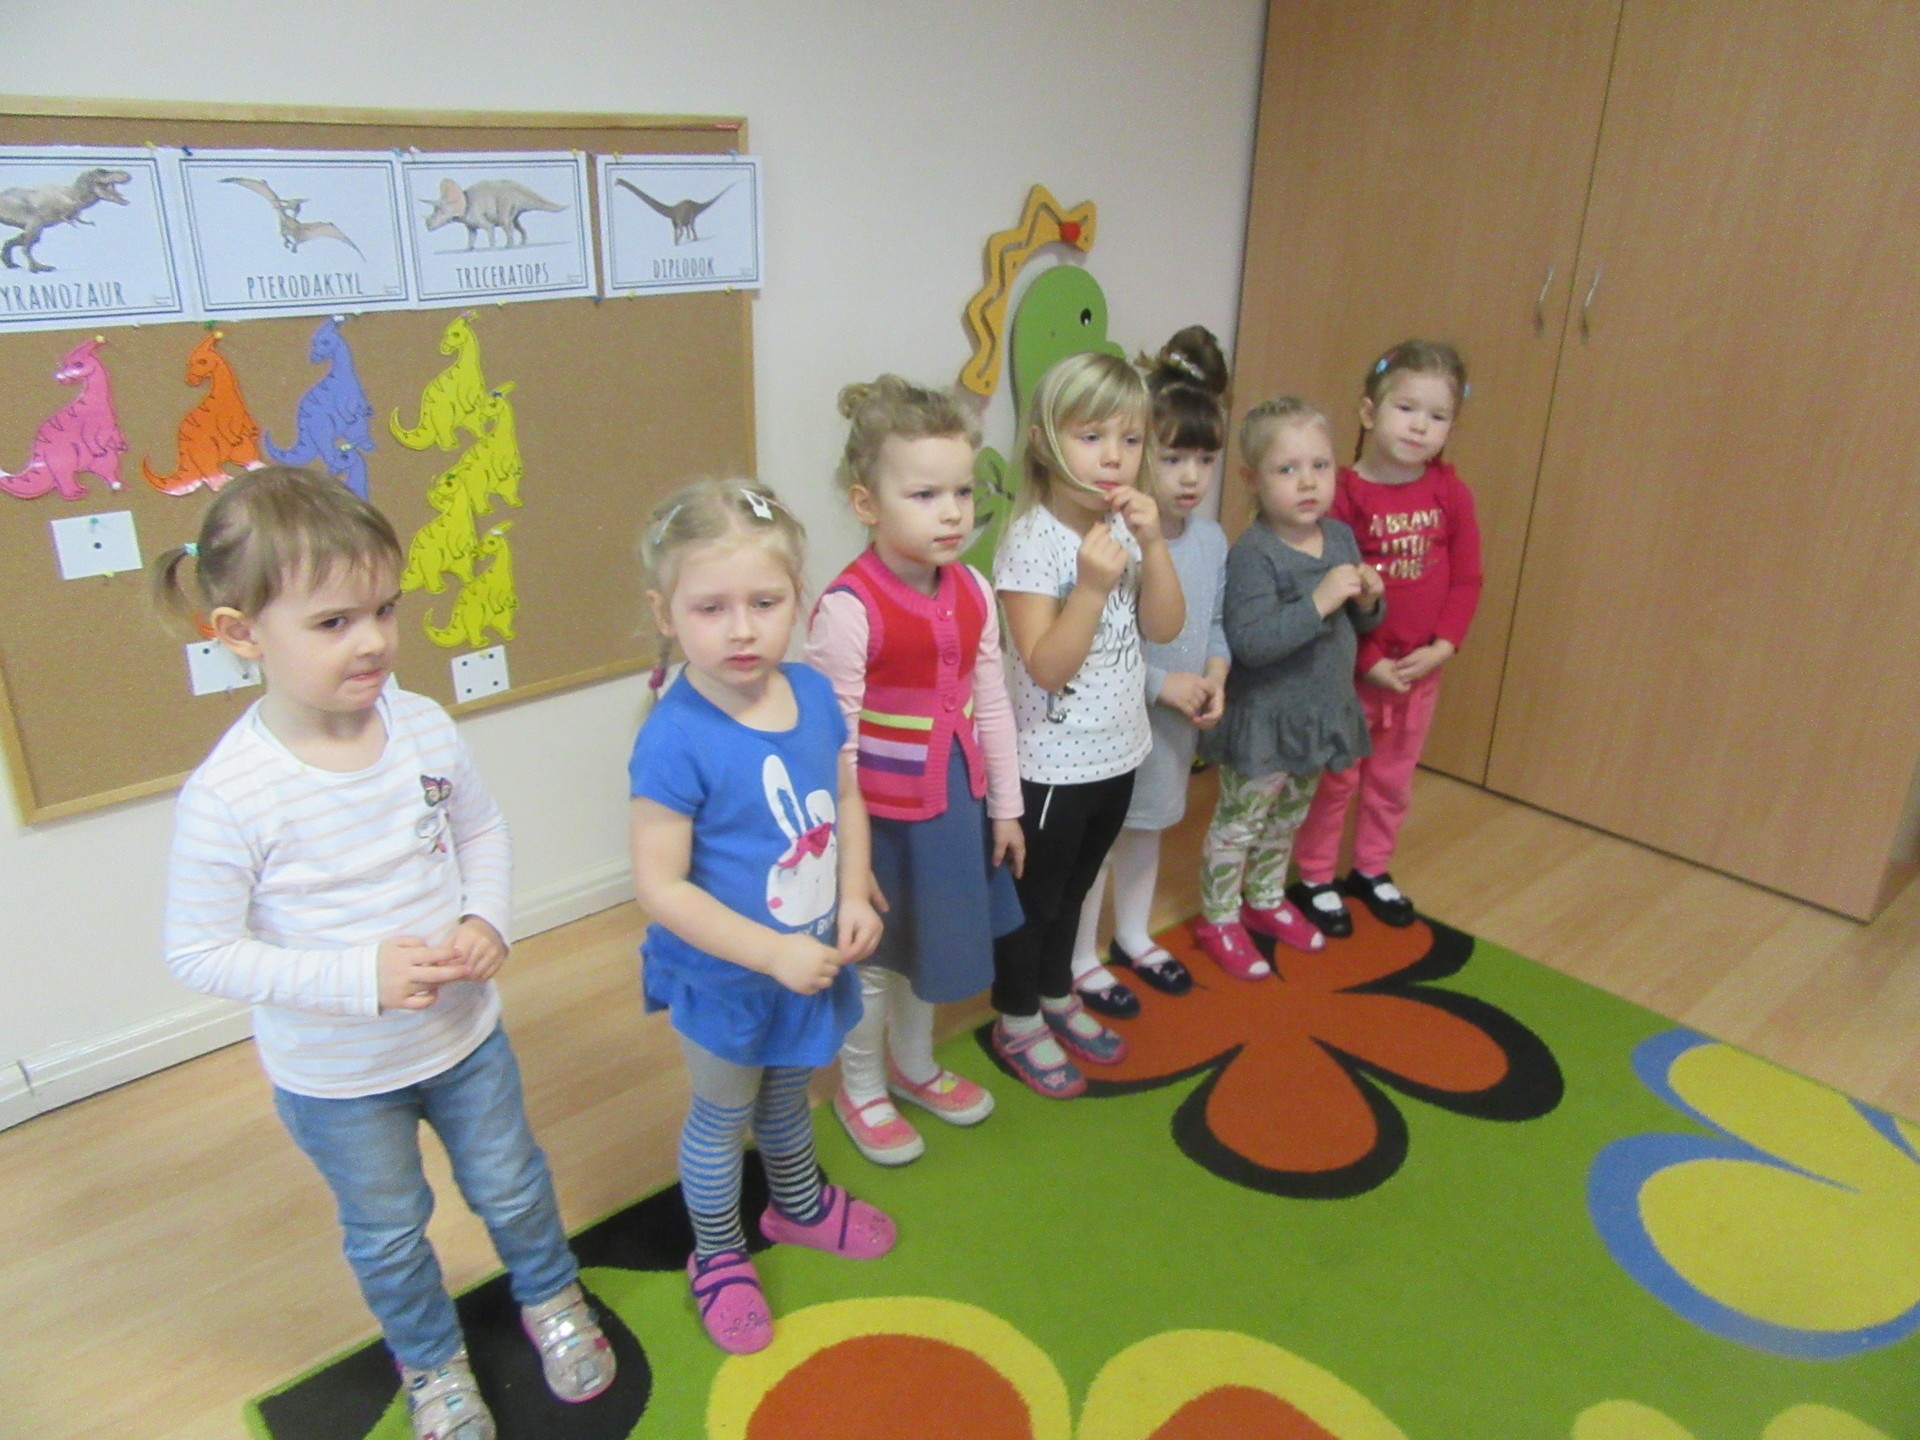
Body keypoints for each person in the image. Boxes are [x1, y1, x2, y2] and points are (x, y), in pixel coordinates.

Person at [158, 466, 612, 1440]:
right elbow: (199, 952)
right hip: (337, 1080)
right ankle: (433, 1363)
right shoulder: (230, 795)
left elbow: (480, 830)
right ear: (240, 632)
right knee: (389, 1230)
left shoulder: (422, 725)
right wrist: (357, 978)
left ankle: (551, 1297)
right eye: (332, 622)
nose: (370, 641)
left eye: (382, 610)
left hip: (465, 1042)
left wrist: (488, 918)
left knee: (513, 1186)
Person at [627, 478, 892, 1357]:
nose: (740, 630)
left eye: (764, 603)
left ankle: (798, 1205)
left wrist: (851, 892)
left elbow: (845, 797)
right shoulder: (674, 737)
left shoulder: (812, 694)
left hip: (807, 959)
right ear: (666, 613)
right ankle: (717, 1254)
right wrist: (771, 954)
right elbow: (661, 887)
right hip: (728, 977)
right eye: (711, 608)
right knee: (722, 1114)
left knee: (789, 1093)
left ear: (797, 599)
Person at [805, 376, 1025, 1166]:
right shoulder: (848, 608)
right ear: (867, 503)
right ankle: (860, 1087)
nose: (952, 512)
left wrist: (1006, 806)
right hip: (877, 823)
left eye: (962, 492)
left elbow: (991, 699)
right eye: (925, 494)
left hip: (952, 808)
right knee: (872, 961)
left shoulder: (974, 589)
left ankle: (913, 1064)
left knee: (925, 950)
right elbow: (830, 742)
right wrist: (847, 857)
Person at [990, 351, 1185, 1097]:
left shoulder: (1123, 527)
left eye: (1130, 439)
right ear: (1044, 443)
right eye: (1092, 436)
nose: (1113, 457)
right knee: (1034, 903)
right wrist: (1094, 588)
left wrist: (1155, 544)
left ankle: (1054, 993)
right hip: (1050, 765)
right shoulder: (1032, 540)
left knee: (1074, 893)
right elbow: (1046, 666)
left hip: (1118, 751)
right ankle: (1016, 1019)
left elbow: (1164, 626)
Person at [1289, 341, 1482, 934]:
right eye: (1407, 408)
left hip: (1420, 675)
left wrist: (1443, 646)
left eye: (1438, 416)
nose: (1421, 426)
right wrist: (1368, 658)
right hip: (1352, 675)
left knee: (1392, 782)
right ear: (1370, 412)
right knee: (1336, 779)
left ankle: (1371, 868)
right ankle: (1315, 876)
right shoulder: (1344, 495)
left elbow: (1467, 578)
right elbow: (1331, 589)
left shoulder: (1450, 493)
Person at [1069, 327, 1233, 1017]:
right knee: (1099, 845)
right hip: (1117, 724)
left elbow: (1214, 622)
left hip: (1174, 729)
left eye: (1204, 459)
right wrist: (1163, 684)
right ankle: (1081, 956)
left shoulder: (1213, 539)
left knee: (1150, 829)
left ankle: (1133, 934)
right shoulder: (1117, 544)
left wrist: (1216, 675)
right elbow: (1100, 647)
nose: (1191, 477)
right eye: (1172, 458)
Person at [1192, 399, 1385, 978]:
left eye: (1320, 466)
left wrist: (1370, 601)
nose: (1307, 482)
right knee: (1240, 823)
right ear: (1252, 478)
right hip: (1266, 721)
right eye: (1287, 469)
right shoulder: (1253, 553)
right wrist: (1319, 601)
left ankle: (1266, 897)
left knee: (1287, 819)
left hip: (1319, 715)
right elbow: (1251, 642)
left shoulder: (1341, 538)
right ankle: (1218, 917)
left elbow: (1362, 625)